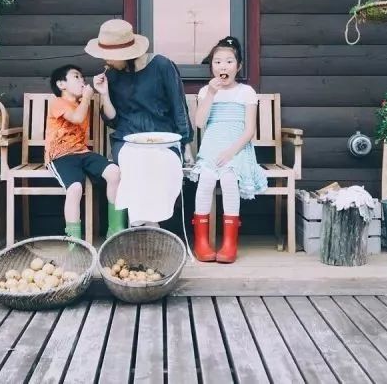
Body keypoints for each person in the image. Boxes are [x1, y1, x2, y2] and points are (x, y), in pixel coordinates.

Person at [85, 19, 193, 232]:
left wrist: (186, 145)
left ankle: (146, 226)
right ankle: (148, 226)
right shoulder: (112, 75)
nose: (106, 60)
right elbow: (113, 120)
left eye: (111, 56)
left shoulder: (162, 66)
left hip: (165, 137)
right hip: (127, 138)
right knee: (134, 161)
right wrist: (104, 94)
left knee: (160, 162)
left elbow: (178, 106)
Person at [190, 37, 268, 263]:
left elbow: (250, 130)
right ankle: (202, 243)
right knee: (205, 180)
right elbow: (200, 123)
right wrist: (211, 95)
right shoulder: (207, 91)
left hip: (237, 148)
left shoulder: (246, 92)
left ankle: (229, 243)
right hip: (212, 147)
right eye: (217, 62)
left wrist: (231, 152)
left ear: (238, 66)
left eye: (228, 62)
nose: (223, 67)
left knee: (228, 179)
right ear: (212, 66)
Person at [45, 64, 121, 240]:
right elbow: (77, 118)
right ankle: (74, 242)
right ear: (61, 85)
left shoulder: (80, 103)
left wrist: (99, 90)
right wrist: (87, 97)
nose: (82, 80)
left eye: (82, 77)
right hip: (60, 155)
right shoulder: (58, 103)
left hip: (82, 152)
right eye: (76, 77)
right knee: (75, 188)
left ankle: (115, 231)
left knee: (114, 172)